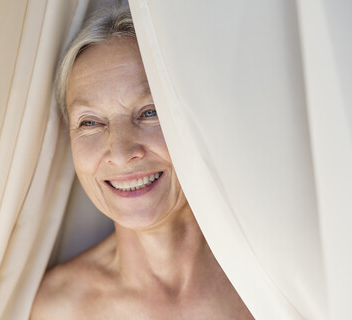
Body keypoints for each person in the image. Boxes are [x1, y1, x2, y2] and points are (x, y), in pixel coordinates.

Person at [31, 5, 253, 319]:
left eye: (150, 112)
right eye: (91, 123)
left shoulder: (273, 272)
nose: (120, 153)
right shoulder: (61, 308)